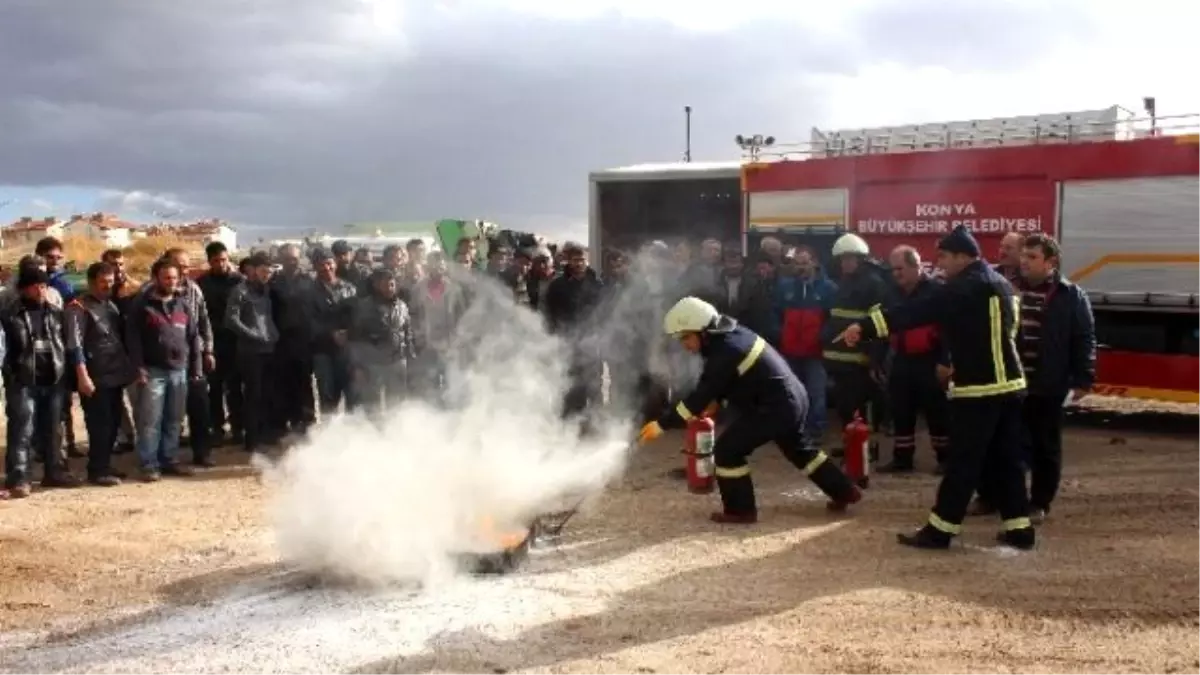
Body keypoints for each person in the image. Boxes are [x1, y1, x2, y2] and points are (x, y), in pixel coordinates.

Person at [835, 225, 1034, 550]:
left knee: (963, 463)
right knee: (1006, 460)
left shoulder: (963, 288)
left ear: (962, 256)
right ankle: (1020, 529)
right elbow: (1015, 337)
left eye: (943, 257)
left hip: (980, 390)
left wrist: (866, 326)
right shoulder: (1003, 285)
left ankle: (940, 530)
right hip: (1012, 387)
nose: (939, 265)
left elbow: (916, 311)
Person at [638, 296, 863, 524]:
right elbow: (732, 378)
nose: (684, 345)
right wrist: (716, 400)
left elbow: (699, 397)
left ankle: (740, 510)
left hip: (775, 407)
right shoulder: (731, 335)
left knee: (728, 450)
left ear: (703, 331)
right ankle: (844, 491)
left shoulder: (725, 350)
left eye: (686, 337)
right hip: (791, 399)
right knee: (801, 450)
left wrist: (661, 424)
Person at [66, 262, 136, 486]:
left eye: (111, 282)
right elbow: (74, 345)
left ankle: (104, 464)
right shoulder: (78, 307)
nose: (108, 286)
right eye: (103, 282)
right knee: (99, 424)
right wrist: (82, 375)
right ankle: (96, 469)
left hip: (114, 373)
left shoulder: (110, 305)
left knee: (114, 422)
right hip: (94, 376)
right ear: (91, 282)